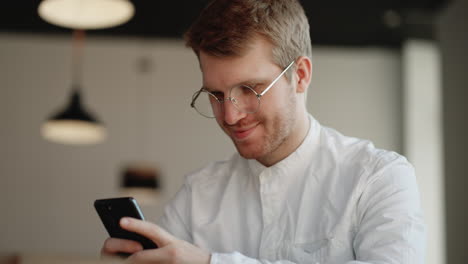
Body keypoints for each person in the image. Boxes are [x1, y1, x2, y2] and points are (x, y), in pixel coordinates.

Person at [101, 0, 426, 263]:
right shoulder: (195, 198)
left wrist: (211, 263)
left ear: (299, 75)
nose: (230, 114)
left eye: (250, 89)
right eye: (215, 94)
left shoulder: (378, 179)